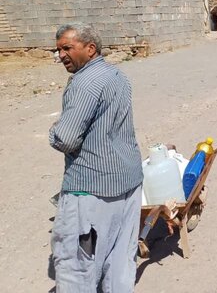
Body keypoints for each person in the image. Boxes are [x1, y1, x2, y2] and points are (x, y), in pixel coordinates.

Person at [49, 23, 143, 292]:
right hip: (128, 182)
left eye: (67, 48)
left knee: (77, 267)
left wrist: (53, 131)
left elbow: (65, 139)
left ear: (90, 49)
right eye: (58, 50)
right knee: (119, 261)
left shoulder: (84, 83)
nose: (61, 55)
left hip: (90, 189)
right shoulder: (117, 75)